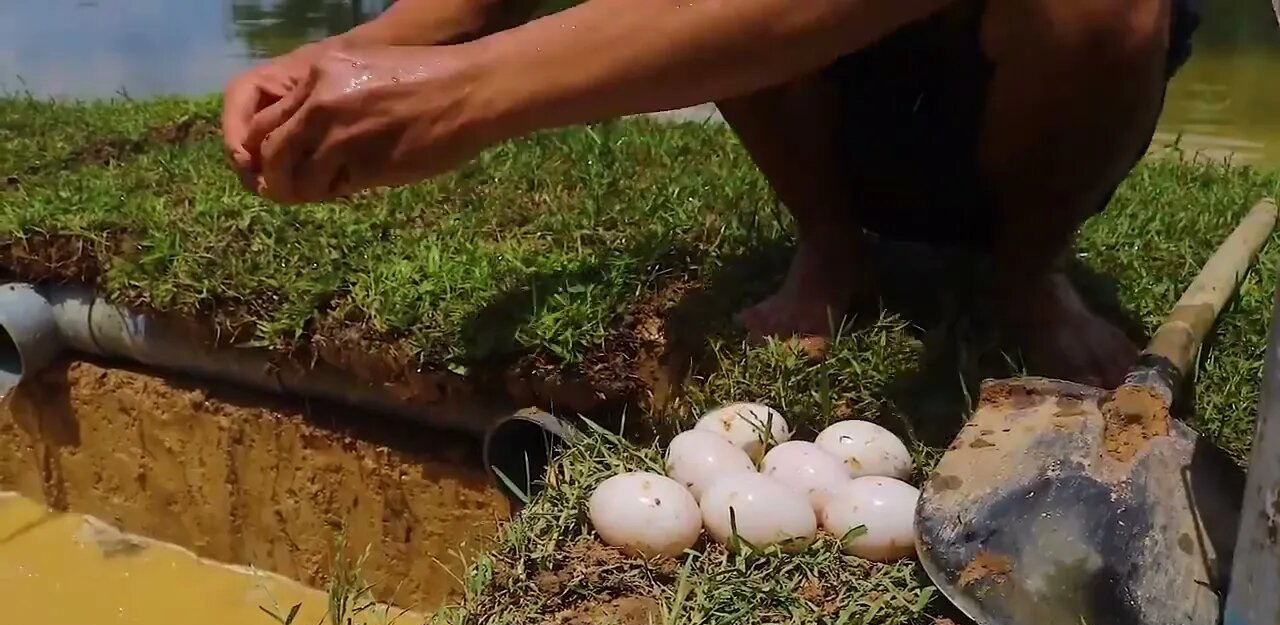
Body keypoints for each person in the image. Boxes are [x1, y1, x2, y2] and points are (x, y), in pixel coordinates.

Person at [221, 0, 1200, 389]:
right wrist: (343, 56)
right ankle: (829, 242)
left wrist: (473, 92)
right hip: (837, 119)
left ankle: (1026, 276)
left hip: (1032, 117)